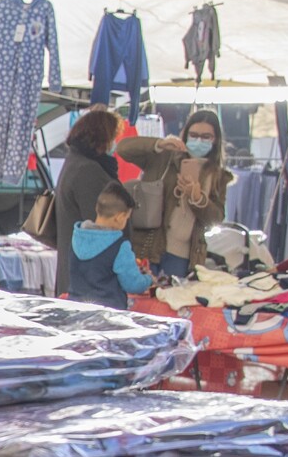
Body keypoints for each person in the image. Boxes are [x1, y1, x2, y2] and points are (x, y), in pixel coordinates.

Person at [117, 107, 233, 278]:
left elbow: (216, 218)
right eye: (193, 135)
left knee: (171, 299)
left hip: (184, 256)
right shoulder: (165, 157)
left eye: (206, 137)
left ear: (215, 140)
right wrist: (159, 144)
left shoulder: (218, 175)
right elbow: (123, 148)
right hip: (149, 246)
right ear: (185, 134)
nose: (198, 141)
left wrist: (198, 198)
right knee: (140, 298)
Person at [51, 107, 121, 296]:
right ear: (102, 138)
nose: (115, 143)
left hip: (79, 267)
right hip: (89, 276)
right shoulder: (88, 170)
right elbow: (101, 225)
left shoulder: (75, 161)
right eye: (113, 137)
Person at [70, 182, 156, 309]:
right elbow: (132, 284)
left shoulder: (77, 237)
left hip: (75, 308)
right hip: (108, 315)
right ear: (120, 217)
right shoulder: (120, 246)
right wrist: (149, 279)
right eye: (127, 218)